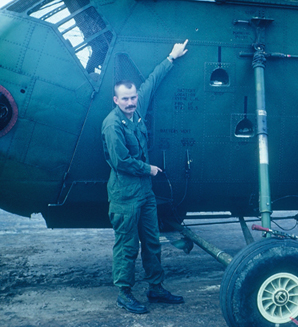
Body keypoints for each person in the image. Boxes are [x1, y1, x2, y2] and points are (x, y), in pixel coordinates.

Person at [101, 39, 189, 314]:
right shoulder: (112, 125)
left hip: (145, 193)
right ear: (116, 100)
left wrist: (171, 58)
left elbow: (151, 81)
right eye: (125, 99)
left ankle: (155, 288)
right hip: (125, 195)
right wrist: (148, 169)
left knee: (151, 241)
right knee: (128, 246)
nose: (130, 102)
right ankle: (124, 293)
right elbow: (121, 162)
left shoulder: (137, 110)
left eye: (133, 97)